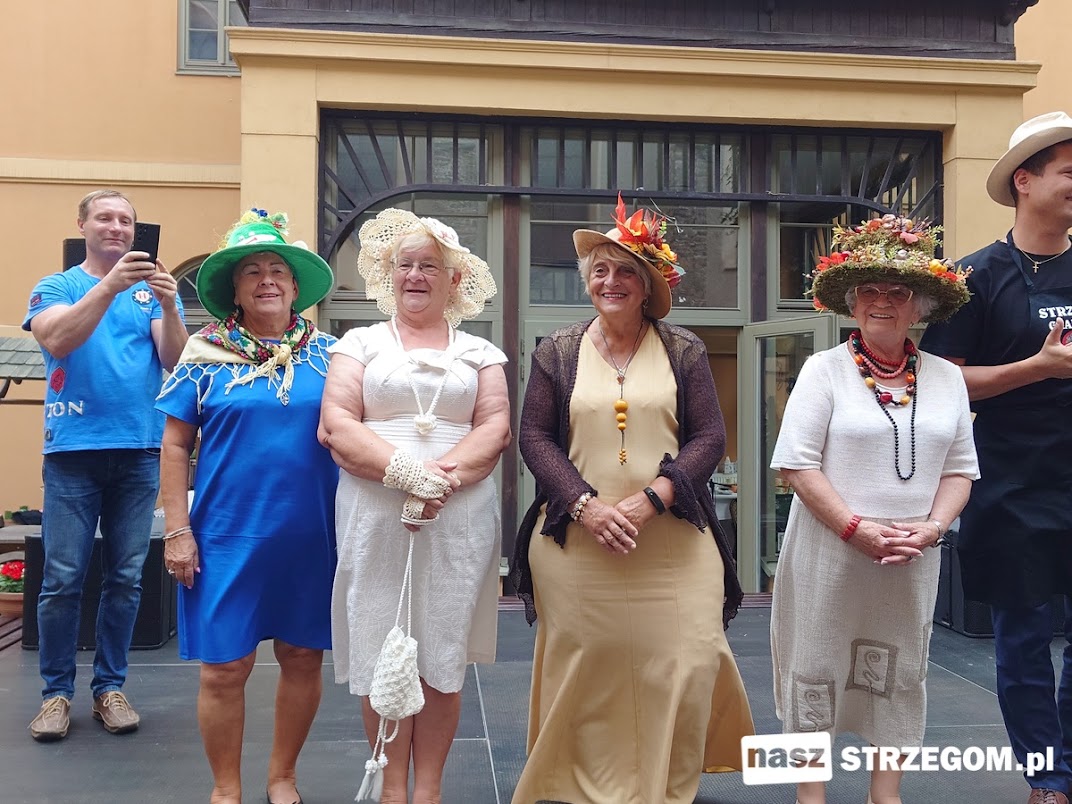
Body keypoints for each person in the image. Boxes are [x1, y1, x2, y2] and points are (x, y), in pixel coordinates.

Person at [509, 195, 754, 804]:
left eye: (625, 271)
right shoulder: (557, 351)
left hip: (672, 537)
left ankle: (666, 784)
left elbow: (709, 437)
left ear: (647, 285)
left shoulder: (683, 348)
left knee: (692, 654)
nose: (610, 281)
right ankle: (584, 784)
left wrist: (654, 498)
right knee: (591, 665)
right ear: (587, 282)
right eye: (600, 270)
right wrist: (584, 505)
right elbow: (534, 437)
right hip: (577, 540)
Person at [772, 215, 979, 804]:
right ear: (852, 301)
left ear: (920, 306)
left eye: (897, 291)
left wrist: (933, 528)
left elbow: (960, 470)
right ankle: (810, 794)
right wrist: (854, 527)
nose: (881, 301)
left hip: (910, 556)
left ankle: (884, 793)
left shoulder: (948, 378)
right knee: (817, 663)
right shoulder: (824, 370)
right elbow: (796, 465)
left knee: (901, 670)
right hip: (830, 549)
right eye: (869, 290)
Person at [318, 208, 510, 804]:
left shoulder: (481, 351)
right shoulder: (359, 343)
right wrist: (407, 475)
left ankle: (428, 790)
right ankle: (391, 790)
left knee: (442, 652)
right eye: (406, 264)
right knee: (382, 646)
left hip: (458, 519)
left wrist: (436, 485)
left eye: (430, 265)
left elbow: (495, 428)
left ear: (454, 279)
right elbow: (336, 423)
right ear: (389, 273)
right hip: (375, 515)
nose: (416, 275)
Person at [154, 209, 338, 804]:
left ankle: (283, 777)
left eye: (278, 270)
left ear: (295, 286)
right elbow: (175, 446)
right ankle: (225, 788)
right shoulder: (203, 355)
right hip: (224, 537)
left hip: (311, 536)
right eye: (252, 271)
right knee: (223, 668)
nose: (267, 280)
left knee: (303, 657)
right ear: (234, 289)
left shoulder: (333, 357)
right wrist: (177, 530)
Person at [920, 111, 1072, 804]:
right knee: (1023, 639)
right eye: (1069, 171)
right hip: (1011, 478)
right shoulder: (973, 277)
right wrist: (1037, 368)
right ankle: (1048, 778)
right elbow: (944, 381)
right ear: (1024, 181)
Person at [22, 189, 187, 742]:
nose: (116, 227)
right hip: (72, 452)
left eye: (125, 220)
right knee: (62, 579)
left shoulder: (148, 294)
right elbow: (58, 338)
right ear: (83, 225)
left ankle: (109, 689)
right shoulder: (56, 286)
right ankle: (55, 694)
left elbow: (175, 360)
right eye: (105, 218)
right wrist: (110, 286)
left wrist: (169, 305)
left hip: (138, 450)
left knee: (125, 578)